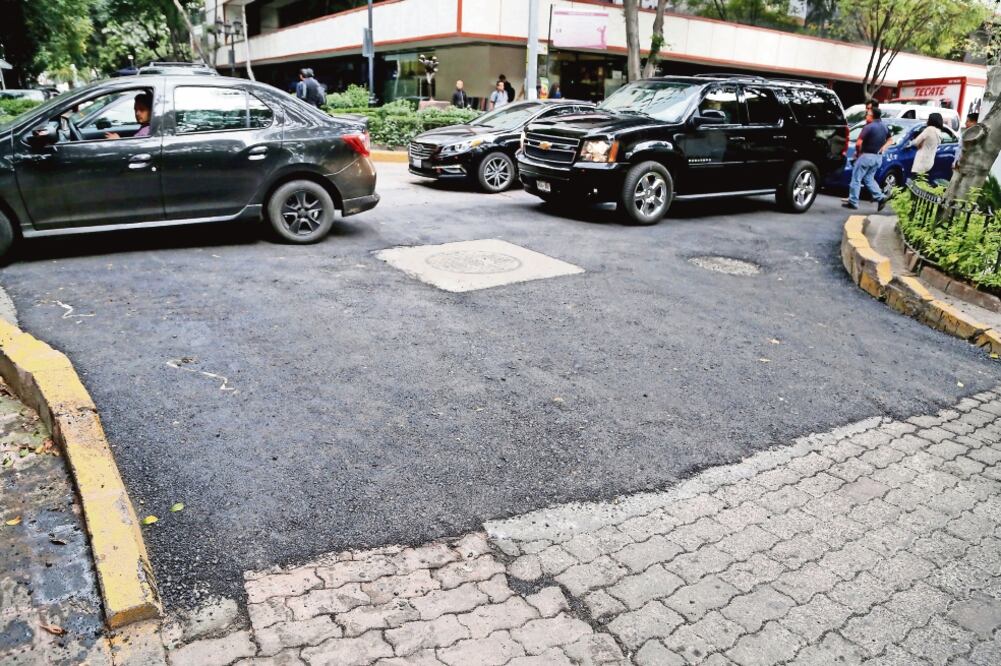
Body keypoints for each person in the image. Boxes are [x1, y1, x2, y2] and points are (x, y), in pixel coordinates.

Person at [843, 107, 893, 211]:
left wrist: (858, 153)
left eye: (868, 114)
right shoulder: (884, 127)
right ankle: (881, 198)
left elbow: (858, 143)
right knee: (869, 179)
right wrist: (883, 147)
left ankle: (853, 202)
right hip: (877, 158)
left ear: (872, 116)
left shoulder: (868, 127)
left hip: (866, 156)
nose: (866, 116)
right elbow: (890, 140)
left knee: (856, 178)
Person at [909, 112, 944, 178]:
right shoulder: (939, 132)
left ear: (932, 120)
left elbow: (916, 142)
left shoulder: (929, 129)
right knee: (922, 181)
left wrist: (912, 143)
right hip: (929, 161)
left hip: (921, 161)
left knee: (915, 181)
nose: (927, 120)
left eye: (928, 119)